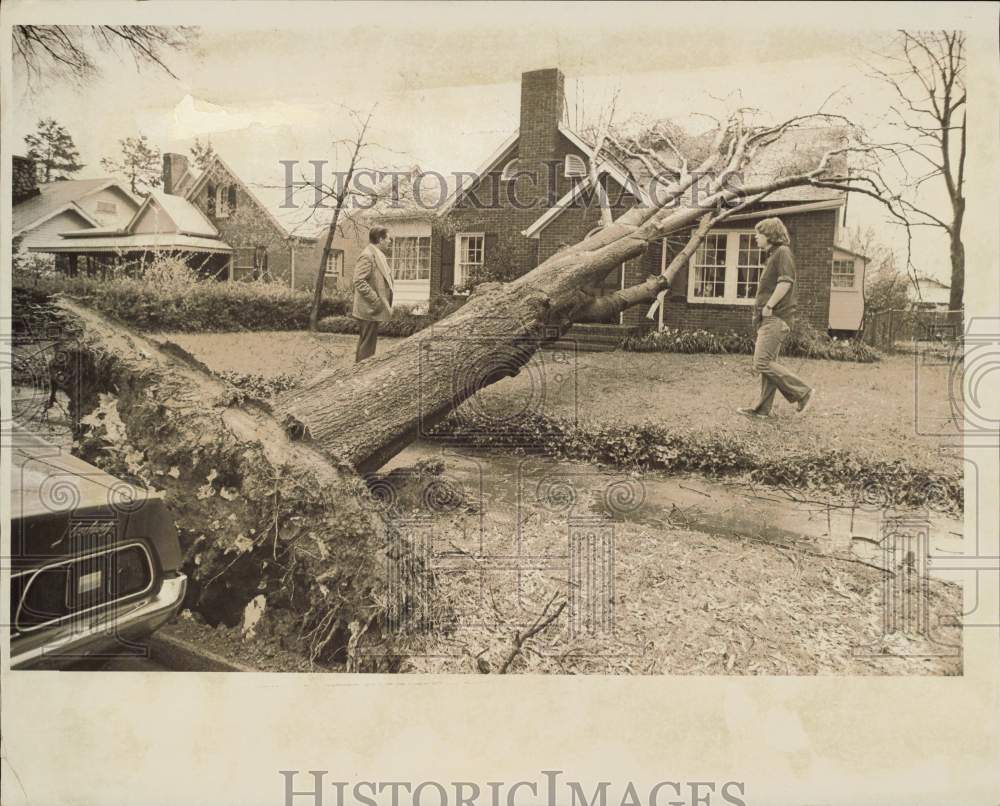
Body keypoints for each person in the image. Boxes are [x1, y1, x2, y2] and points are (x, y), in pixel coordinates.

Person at [737, 217, 815, 418]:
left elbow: (785, 282)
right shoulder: (774, 255)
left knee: (761, 362)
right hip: (771, 318)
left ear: (770, 235)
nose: (755, 238)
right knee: (768, 362)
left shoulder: (782, 253)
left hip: (776, 316)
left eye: (758, 234)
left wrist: (769, 305)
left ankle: (803, 392)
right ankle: (762, 409)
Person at [352, 225, 394, 363]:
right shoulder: (367, 255)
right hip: (368, 309)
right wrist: (375, 301)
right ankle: (361, 375)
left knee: (367, 344)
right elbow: (358, 281)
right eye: (388, 239)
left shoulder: (378, 254)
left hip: (372, 309)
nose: (390, 242)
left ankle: (359, 374)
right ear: (380, 239)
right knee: (367, 346)